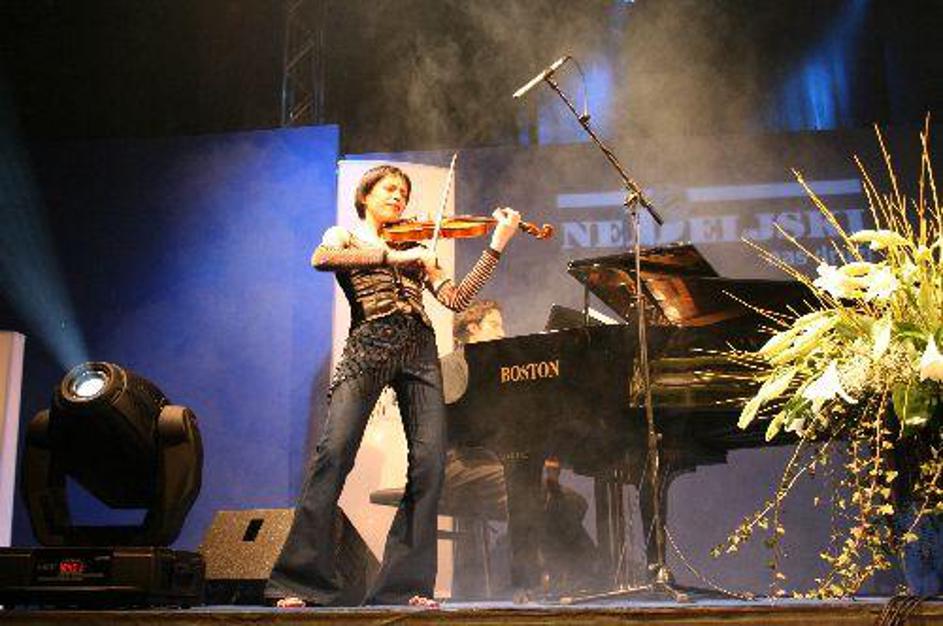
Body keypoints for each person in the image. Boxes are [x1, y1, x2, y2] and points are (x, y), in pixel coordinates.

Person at [264, 164, 521, 608]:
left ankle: (405, 586)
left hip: (419, 350)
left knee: (429, 464)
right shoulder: (346, 236)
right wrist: (391, 257)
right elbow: (321, 258)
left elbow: (456, 298)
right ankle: (297, 581)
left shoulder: (417, 248)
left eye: (403, 192)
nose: (398, 197)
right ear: (365, 196)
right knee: (334, 454)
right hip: (370, 344)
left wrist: (496, 244)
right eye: (389, 189)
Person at [442, 300, 599, 601]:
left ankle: (563, 578)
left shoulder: (501, 373)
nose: (502, 333)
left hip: (493, 464)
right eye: (494, 325)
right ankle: (574, 574)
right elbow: (454, 426)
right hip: (458, 465)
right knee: (533, 495)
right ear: (472, 328)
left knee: (569, 500)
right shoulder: (452, 364)